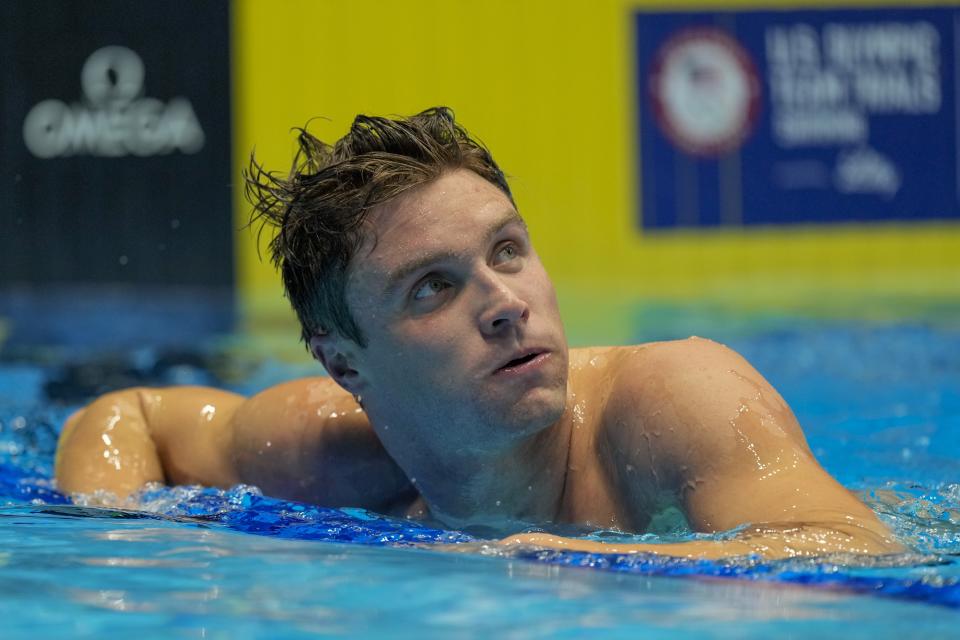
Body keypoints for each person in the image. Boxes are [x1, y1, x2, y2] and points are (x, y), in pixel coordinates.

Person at [54, 107, 902, 559]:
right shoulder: (333, 449)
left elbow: (852, 551)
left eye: (507, 251)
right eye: (434, 288)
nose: (505, 302)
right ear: (346, 362)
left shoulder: (673, 400)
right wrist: (126, 556)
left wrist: (592, 566)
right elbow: (124, 417)